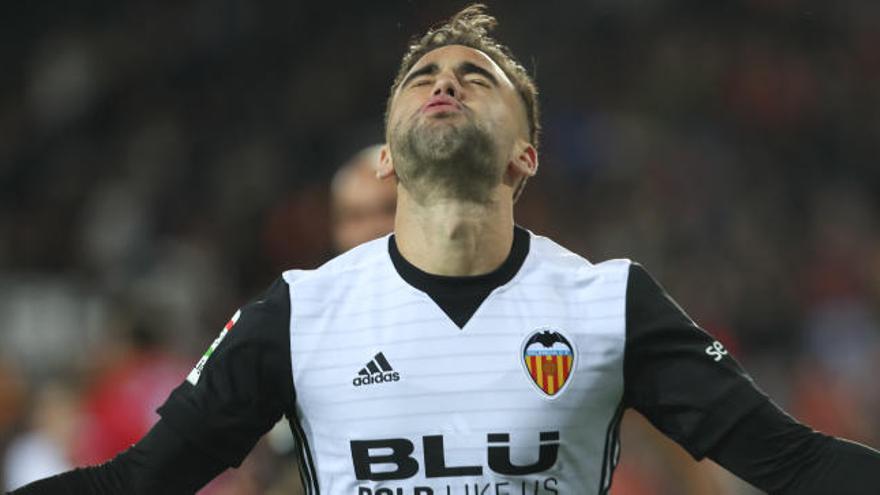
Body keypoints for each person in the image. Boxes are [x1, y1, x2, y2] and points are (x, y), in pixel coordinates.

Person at [11, 4, 880, 494]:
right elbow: (135, 487)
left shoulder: (609, 303)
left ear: (524, 153)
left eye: (479, 76)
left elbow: (795, 462)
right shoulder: (300, 312)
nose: (445, 80)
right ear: (388, 153)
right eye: (422, 77)